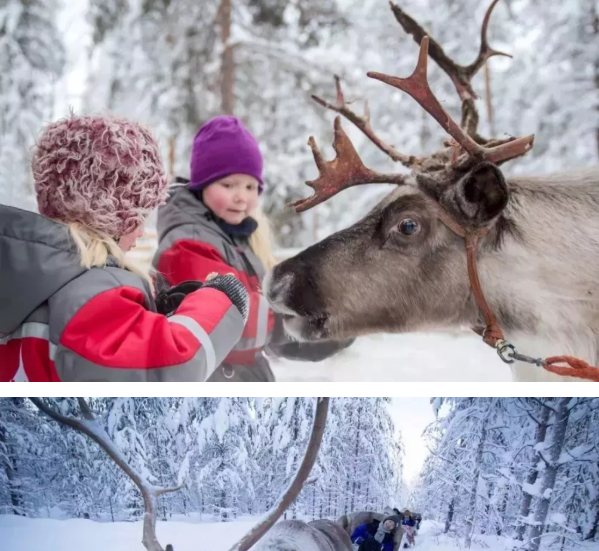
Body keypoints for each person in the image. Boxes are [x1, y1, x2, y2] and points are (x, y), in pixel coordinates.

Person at [0, 114, 250, 381]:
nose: (142, 231)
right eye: (138, 217)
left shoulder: (35, 281)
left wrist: (152, 316)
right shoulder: (89, 293)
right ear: (111, 215)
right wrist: (222, 300)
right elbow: (174, 364)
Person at [153, 115, 352, 381]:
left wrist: (335, 326)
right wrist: (296, 314)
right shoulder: (188, 244)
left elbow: (267, 332)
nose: (241, 196)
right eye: (228, 184)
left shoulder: (238, 239)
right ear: (202, 185)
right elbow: (225, 321)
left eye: (250, 186)